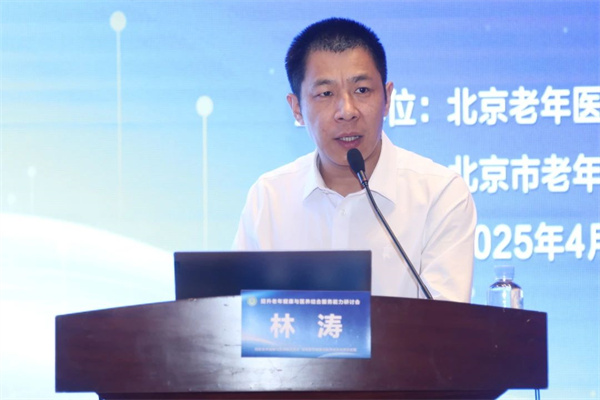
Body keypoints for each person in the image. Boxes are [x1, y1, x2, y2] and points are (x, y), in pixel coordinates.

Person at [233, 18, 477, 302]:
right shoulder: (269, 198)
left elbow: (447, 321)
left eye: (362, 90)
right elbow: (238, 313)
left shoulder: (440, 195)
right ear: (297, 108)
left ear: (387, 98)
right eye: (325, 94)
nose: (347, 111)